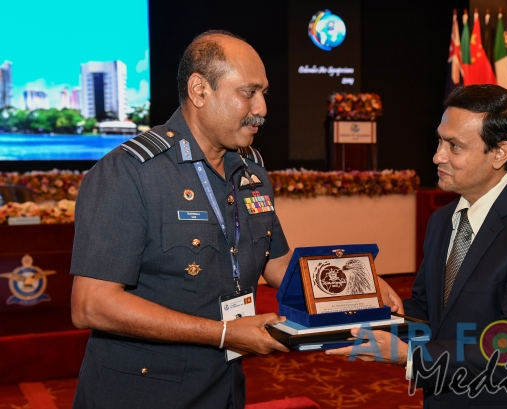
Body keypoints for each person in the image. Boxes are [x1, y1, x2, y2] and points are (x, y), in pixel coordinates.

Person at [70, 30, 401, 409]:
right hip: (145, 391)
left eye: (264, 93)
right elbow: (92, 304)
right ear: (199, 90)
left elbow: (277, 264)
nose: (262, 108)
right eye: (249, 92)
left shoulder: (251, 171)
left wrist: (358, 287)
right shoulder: (130, 172)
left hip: (223, 382)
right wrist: (224, 333)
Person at [327, 84, 507, 408]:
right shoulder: (442, 220)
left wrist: (409, 356)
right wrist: (378, 310)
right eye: (440, 141)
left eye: (454, 146)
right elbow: (430, 310)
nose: (437, 156)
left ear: (500, 153)